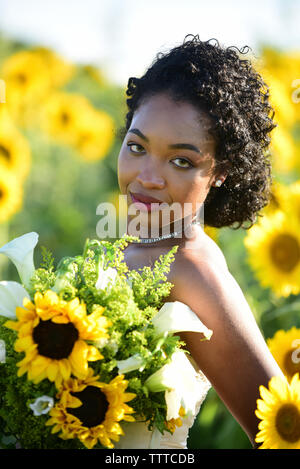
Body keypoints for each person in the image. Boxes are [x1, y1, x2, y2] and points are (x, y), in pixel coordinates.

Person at [114, 34, 284, 449]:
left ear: (220, 172)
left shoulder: (191, 268)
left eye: (181, 161)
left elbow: (285, 429)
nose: (148, 177)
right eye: (137, 146)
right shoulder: (133, 245)